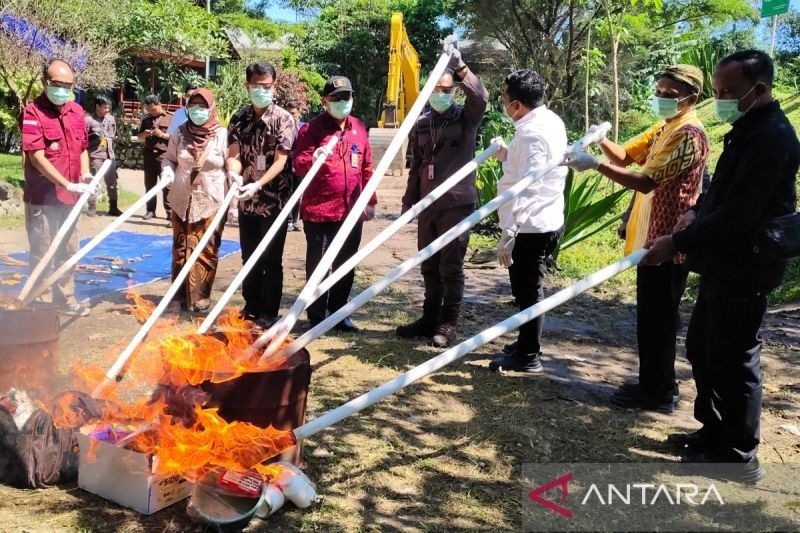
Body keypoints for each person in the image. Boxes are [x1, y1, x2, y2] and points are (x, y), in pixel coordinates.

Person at [644, 50, 800, 482]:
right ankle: (713, 432)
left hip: (748, 263)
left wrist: (677, 239)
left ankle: (738, 454)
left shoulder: (772, 138)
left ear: (761, 89)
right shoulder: (744, 129)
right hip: (723, 260)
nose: (721, 100)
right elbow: (721, 195)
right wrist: (695, 214)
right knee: (703, 348)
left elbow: (741, 213)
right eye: (716, 92)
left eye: (728, 92)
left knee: (735, 357)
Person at [566, 65, 710, 414]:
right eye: (658, 91)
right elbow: (628, 156)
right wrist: (600, 141)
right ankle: (650, 382)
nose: (660, 98)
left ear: (690, 99)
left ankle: (661, 391)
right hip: (648, 236)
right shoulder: (666, 126)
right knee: (648, 317)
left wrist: (594, 166)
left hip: (667, 240)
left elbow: (646, 181)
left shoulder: (688, 133)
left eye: (669, 95)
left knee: (660, 318)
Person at [397, 44, 488, 348]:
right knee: (428, 263)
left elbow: (481, 97)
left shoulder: (466, 118)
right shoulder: (422, 123)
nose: (441, 94)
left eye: (446, 90)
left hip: (456, 204)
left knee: (451, 267)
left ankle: (447, 324)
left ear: (454, 91)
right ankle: (429, 318)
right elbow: (417, 165)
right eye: (435, 89)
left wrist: (461, 67)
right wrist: (408, 201)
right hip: (427, 204)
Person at [487, 69, 568, 373]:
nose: (503, 104)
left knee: (529, 289)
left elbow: (531, 185)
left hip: (532, 224)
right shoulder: (548, 120)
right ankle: (524, 342)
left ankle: (528, 355)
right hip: (541, 218)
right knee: (523, 288)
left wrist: (510, 231)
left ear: (517, 104)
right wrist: (508, 155)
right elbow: (531, 167)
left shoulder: (533, 133)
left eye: (505, 98)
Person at [293, 76, 375, 331]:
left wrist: (370, 200)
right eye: (337, 98)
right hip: (319, 211)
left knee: (345, 263)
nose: (342, 102)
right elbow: (298, 163)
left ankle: (338, 313)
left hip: (351, 211)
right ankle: (316, 313)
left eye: (346, 97)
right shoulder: (312, 129)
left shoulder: (359, 128)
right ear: (325, 101)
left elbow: (367, 167)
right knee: (318, 264)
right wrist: (313, 157)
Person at [21, 58, 95, 317]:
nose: (62, 89)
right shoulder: (33, 112)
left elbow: (83, 147)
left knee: (69, 250)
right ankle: (35, 305)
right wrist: (66, 183)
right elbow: (36, 157)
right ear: (45, 83)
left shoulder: (76, 111)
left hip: (71, 198)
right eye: (57, 84)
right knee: (42, 252)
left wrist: (85, 174)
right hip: (42, 198)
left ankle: (65, 299)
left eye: (68, 85)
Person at [226, 62, 295, 327]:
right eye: (256, 86)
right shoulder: (239, 119)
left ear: (274, 86)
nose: (261, 91)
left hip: (274, 201)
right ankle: (251, 304)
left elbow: (280, 161)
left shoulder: (283, 119)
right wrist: (234, 174)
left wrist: (258, 183)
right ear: (247, 86)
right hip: (247, 201)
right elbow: (234, 155)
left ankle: (268, 310)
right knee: (249, 254)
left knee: (270, 257)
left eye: (266, 86)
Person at [161, 88, 230, 312]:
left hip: (211, 200)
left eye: (202, 107)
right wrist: (168, 171)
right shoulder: (180, 133)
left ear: (210, 109)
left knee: (206, 249)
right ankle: (178, 296)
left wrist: (235, 202)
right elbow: (169, 160)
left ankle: (200, 297)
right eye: (193, 107)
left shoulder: (222, 134)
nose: (197, 111)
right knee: (180, 247)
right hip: (182, 199)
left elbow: (231, 166)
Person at [84, 94, 121, 217]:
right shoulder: (89, 120)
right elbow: (83, 138)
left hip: (109, 155)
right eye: (104, 107)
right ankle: (92, 207)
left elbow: (112, 135)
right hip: (95, 155)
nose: (107, 110)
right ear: (97, 106)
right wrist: (93, 136)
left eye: (108, 107)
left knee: (112, 182)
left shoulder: (110, 119)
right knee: (93, 182)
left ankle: (113, 207)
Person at [137, 95, 173, 220]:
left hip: (164, 155)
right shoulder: (146, 119)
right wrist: (145, 134)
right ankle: (150, 210)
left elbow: (176, 138)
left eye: (153, 109)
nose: (151, 112)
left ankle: (170, 213)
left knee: (167, 186)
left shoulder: (170, 118)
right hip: (149, 155)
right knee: (149, 184)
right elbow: (139, 137)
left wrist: (162, 135)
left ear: (159, 105)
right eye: (149, 110)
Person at [285, 101, 305, 232]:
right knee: (287, 194)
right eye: (288, 113)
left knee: (297, 194)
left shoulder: (304, 127)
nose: (290, 116)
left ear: (299, 112)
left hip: (299, 167)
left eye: (293, 113)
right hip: (286, 166)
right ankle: (288, 220)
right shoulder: (283, 127)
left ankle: (295, 220)